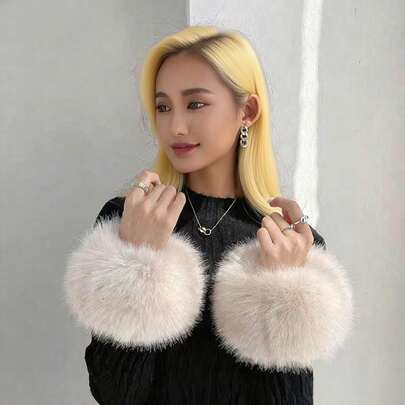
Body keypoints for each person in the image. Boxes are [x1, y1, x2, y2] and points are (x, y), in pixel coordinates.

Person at [63, 25, 354, 405]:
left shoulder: (285, 242)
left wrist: (282, 289)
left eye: (195, 104)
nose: (175, 126)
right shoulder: (130, 218)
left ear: (247, 111)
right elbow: (115, 394)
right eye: (163, 106)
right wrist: (138, 261)